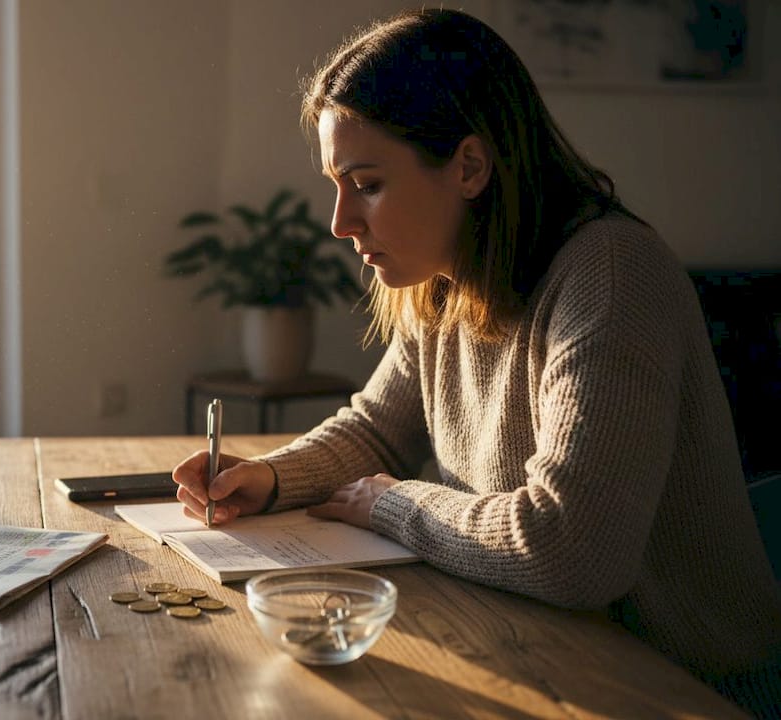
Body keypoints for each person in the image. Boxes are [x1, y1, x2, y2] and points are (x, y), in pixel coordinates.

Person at [171, 9, 781, 717]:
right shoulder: (444, 276)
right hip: (543, 652)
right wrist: (272, 478)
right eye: (338, 183)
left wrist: (391, 502)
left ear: (468, 166)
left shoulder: (611, 276)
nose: (340, 222)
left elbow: (572, 549)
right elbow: (377, 431)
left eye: (366, 183)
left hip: (680, 690)